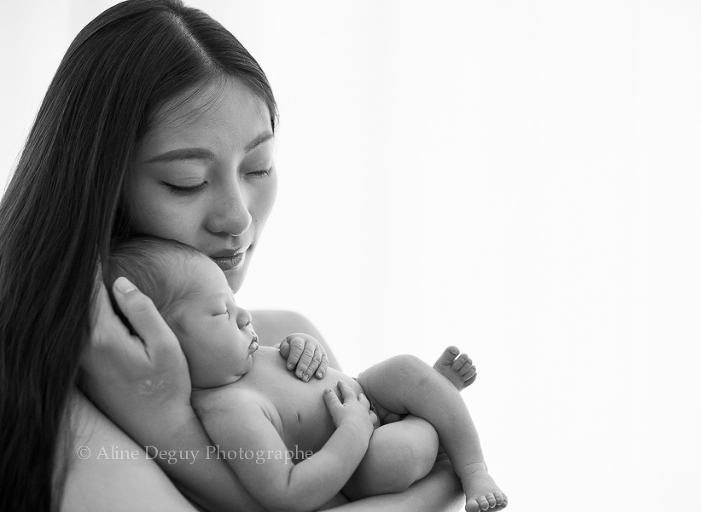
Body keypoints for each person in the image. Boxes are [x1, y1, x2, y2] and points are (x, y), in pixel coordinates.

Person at [0, 0, 468, 510]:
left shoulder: (284, 339)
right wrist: (443, 482)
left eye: (259, 167)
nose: (239, 217)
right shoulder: (53, 394)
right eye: (187, 182)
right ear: (100, 190)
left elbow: (357, 484)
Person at [105, 236, 507, 512]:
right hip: (358, 461)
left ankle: (470, 461)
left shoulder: (241, 356)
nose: (243, 316)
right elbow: (288, 492)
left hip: (364, 392)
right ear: (166, 342)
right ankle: (435, 415)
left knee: (404, 368)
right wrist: (353, 430)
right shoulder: (229, 407)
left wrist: (300, 345)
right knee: (402, 454)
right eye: (220, 312)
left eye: (234, 302)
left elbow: (313, 373)